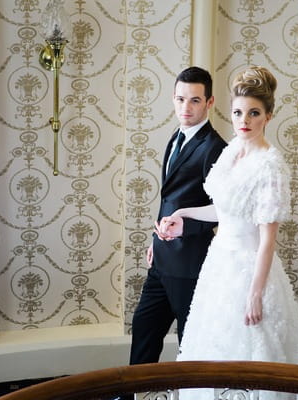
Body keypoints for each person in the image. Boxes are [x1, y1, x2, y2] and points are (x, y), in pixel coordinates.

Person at [158, 66, 298, 400]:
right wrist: (182, 214)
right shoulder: (231, 151)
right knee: (209, 344)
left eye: (254, 113)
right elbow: (225, 211)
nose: (244, 120)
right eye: (238, 112)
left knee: (251, 356)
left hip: (249, 268)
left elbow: (267, 239)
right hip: (218, 265)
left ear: (268, 116)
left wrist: (256, 292)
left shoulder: (270, 165)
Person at [121, 67, 226, 399]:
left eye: (195, 101)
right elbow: (169, 198)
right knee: (144, 329)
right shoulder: (177, 136)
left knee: (189, 341)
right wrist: (156, 242)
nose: (186, 108)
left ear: (209, 102)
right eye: (181, 99)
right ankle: (135, 396)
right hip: (162, 258)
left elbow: (224, 209)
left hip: (190, 263)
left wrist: (185, 227)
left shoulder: (214, 148)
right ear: (173, 98)